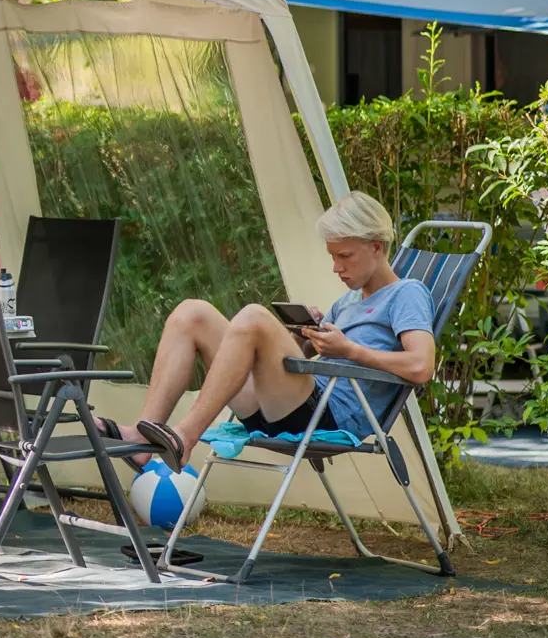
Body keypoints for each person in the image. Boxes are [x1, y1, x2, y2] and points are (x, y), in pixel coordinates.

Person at [110, 192, 437, 471]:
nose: (336, 267)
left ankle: (185, 436)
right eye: (333, 256)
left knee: (254, 316)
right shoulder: (347, 302)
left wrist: (349, 350)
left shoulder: (406, 293)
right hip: (288, 407)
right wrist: (302, 339)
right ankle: (142, 441)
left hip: (326, 419)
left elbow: (421, 367)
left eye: (344, 256)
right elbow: (309, 361)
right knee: (191, 313)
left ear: (377, 247)